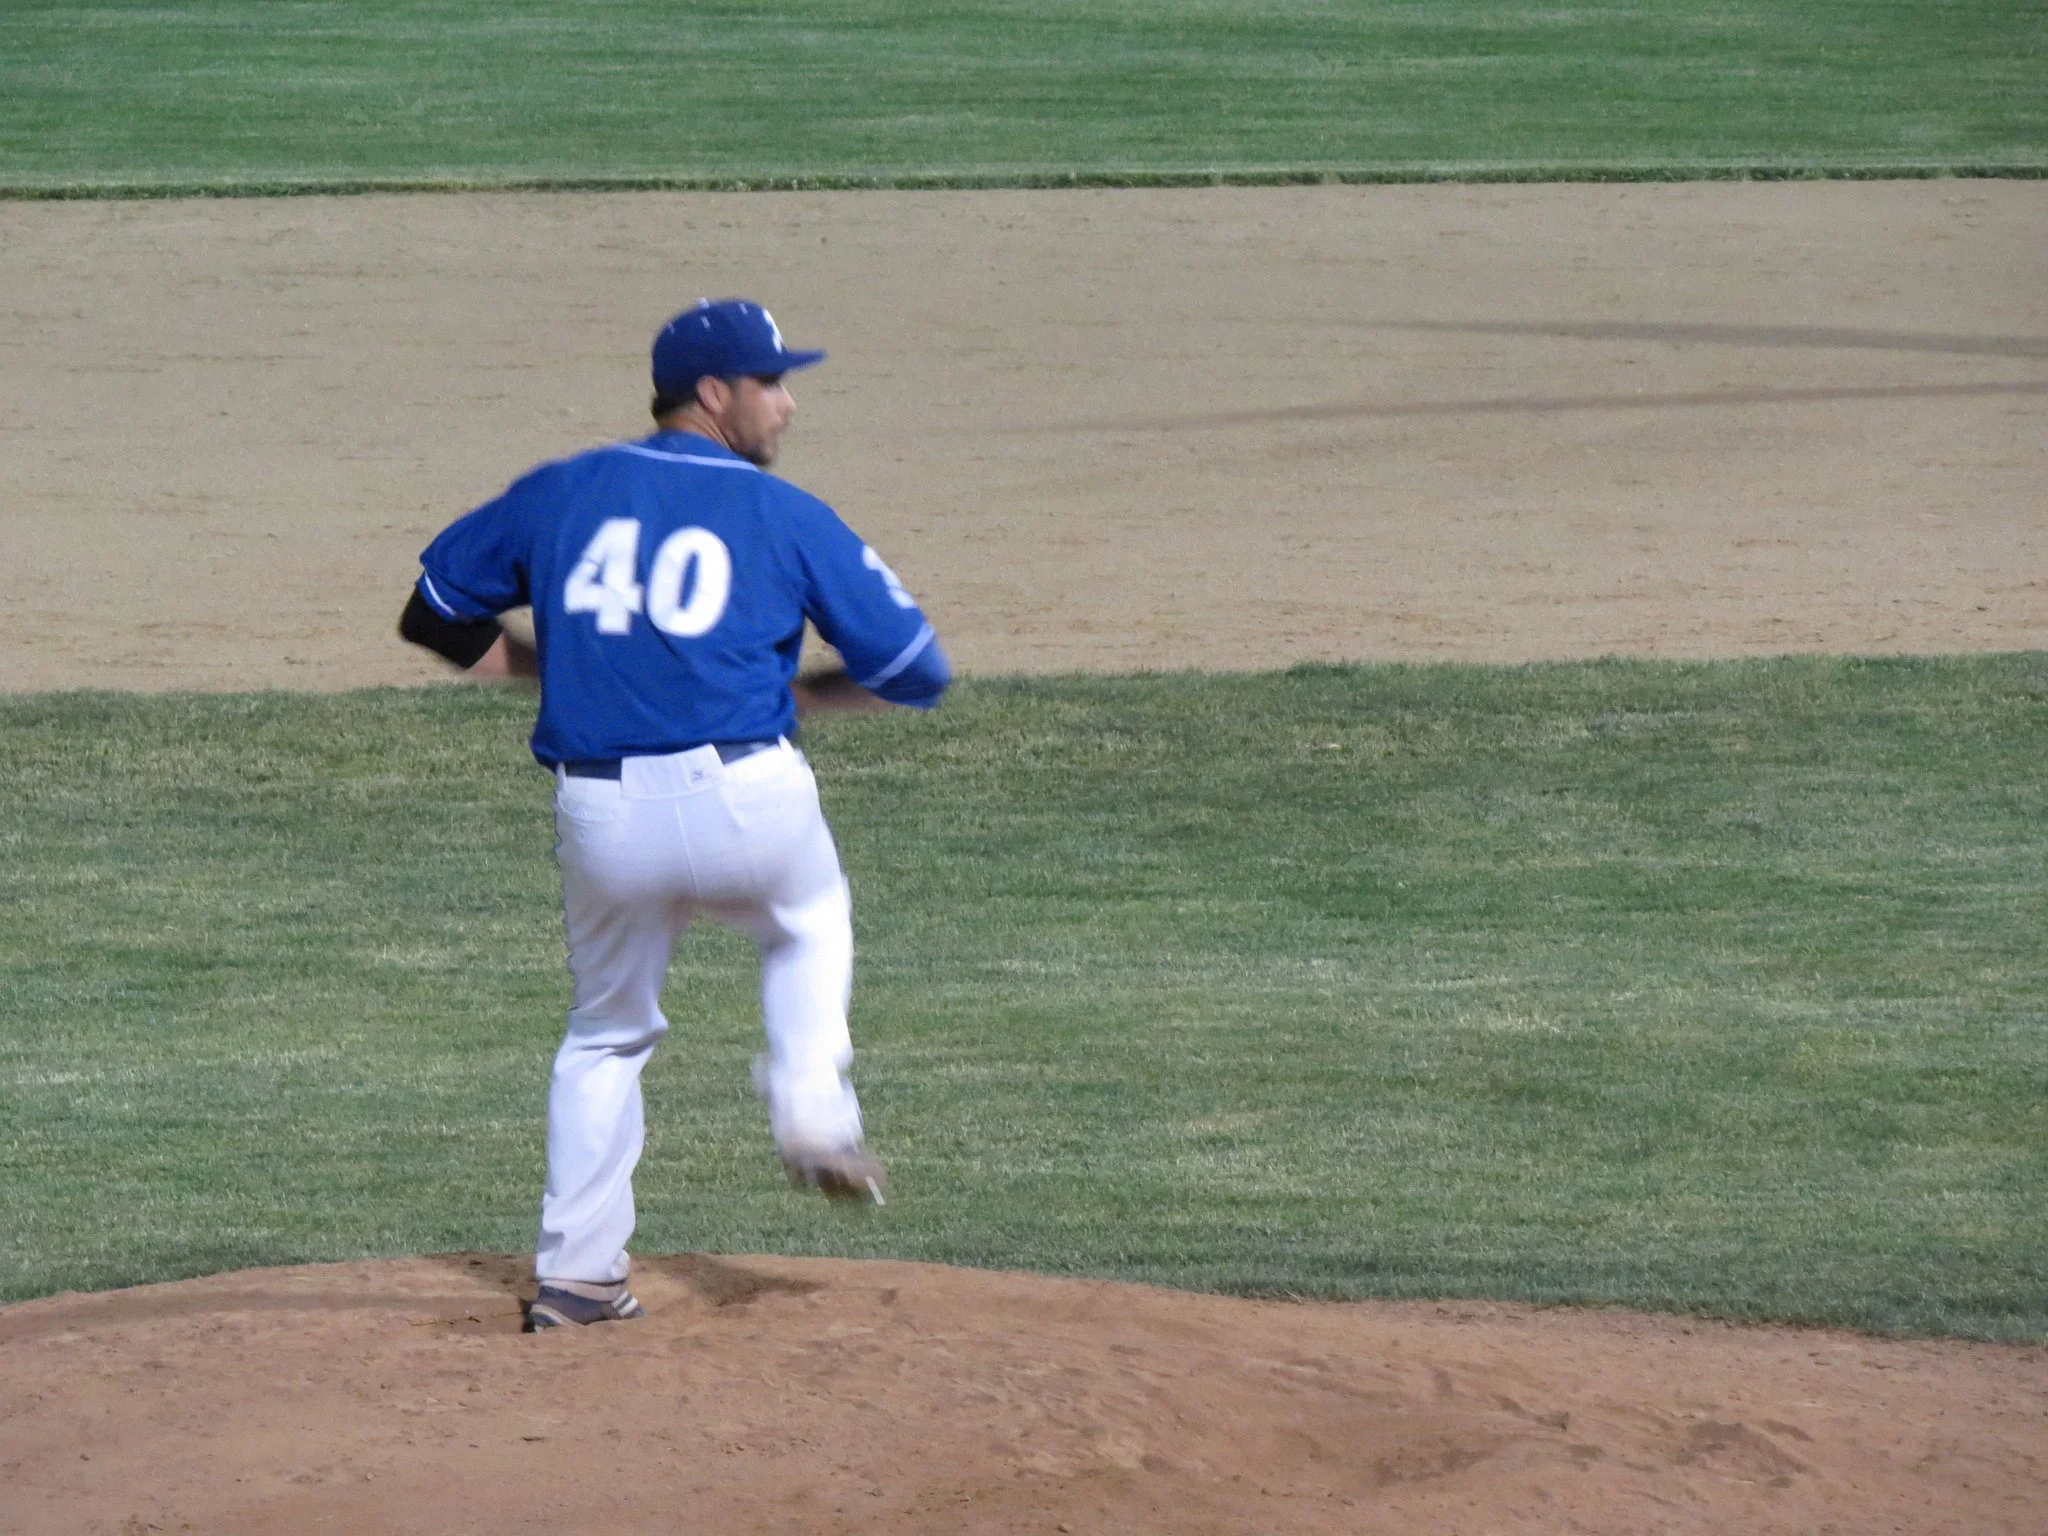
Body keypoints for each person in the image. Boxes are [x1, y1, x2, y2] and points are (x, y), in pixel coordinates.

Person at [398, 299, 950, 1331]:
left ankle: (577, 1278)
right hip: (750, 800)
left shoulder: (561, 490)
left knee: (604, 1036)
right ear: (712, 394)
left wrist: (548, 672)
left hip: (601, 814)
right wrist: (805, 700)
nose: (785, 406)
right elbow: (915, 670)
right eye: (770, 383)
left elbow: (430, 612)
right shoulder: (786, 515)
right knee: (808, 921)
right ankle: (812, 1118)